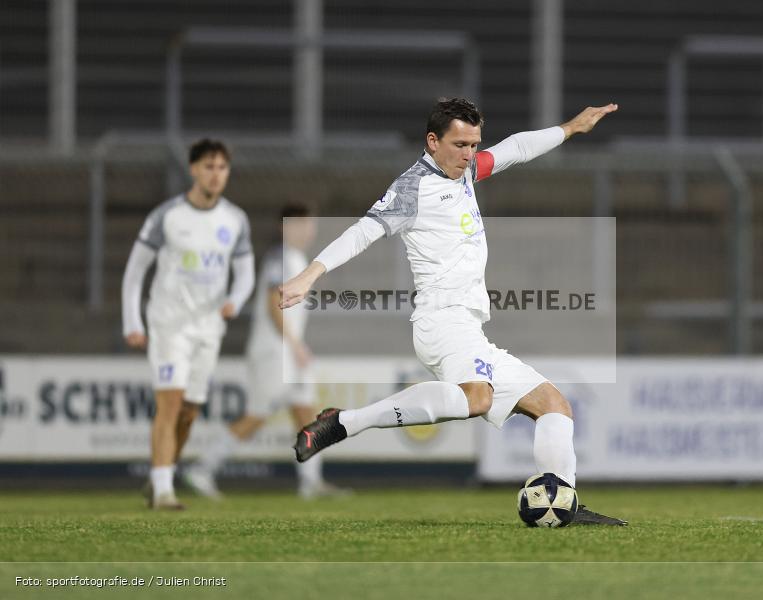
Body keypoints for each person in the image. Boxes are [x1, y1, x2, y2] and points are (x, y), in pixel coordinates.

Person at [280, 98, 626, 526]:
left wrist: (570, 129)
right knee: (476, 397)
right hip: (440, 320)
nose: (469, 153)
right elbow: (362, 232)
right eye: (460, 144)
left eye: (474, 144)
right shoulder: (413, 188)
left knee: (554, 406)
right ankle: (346, 422)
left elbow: (516, 148)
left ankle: (565, 502)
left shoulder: (465, 173)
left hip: (469, 327)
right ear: (433, 141)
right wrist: (309, 275)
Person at [183, 203, 349, 500]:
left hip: (287, 350)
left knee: (305, 413)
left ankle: (310, 481)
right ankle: (202, 469)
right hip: (274, 351)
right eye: (303, 224)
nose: (309, 230)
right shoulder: (282, 258)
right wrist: (295, 345)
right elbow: (274, 303)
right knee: (257, 416)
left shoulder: (296, 259)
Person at [122, 139, 255, 510]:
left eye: (222, 168)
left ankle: (159, 475)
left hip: (209, 327)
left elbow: (245, 273)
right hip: (169, 324)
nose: (216, 174)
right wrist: (133, 321)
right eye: (209, 167)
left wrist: (235, 301)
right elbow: (134, 273)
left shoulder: (234, 219)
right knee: (170, 403)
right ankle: (164, 491)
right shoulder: (167, 216)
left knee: (190, 411)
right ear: (193, 169)